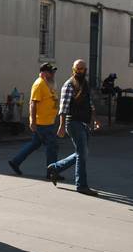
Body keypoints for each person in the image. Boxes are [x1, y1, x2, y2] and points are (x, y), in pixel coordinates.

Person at [47, 59, 100, 196]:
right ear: (73, 69)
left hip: (84, 122)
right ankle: (81, 185)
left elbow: (90, 103)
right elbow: (63, 107)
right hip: (73, 122)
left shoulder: (85, 84)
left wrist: (94, 119)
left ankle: (55, 168)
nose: (81, 71)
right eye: (78, 68)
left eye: (83, 68)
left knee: (82, 153)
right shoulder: (69, 85)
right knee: (82, 154)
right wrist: (61, 125)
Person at [8, 63, 62, 179]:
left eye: (53, 72)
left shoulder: (48, 84)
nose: (53, 74)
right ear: (43, 73)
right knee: (52, 146)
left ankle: (15, 161)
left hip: (48, 121)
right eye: (50, 72)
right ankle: (52, 172)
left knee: (35, 143)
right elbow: (33, 104)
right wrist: (32, 121)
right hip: (43, 122)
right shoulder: (39, 84)